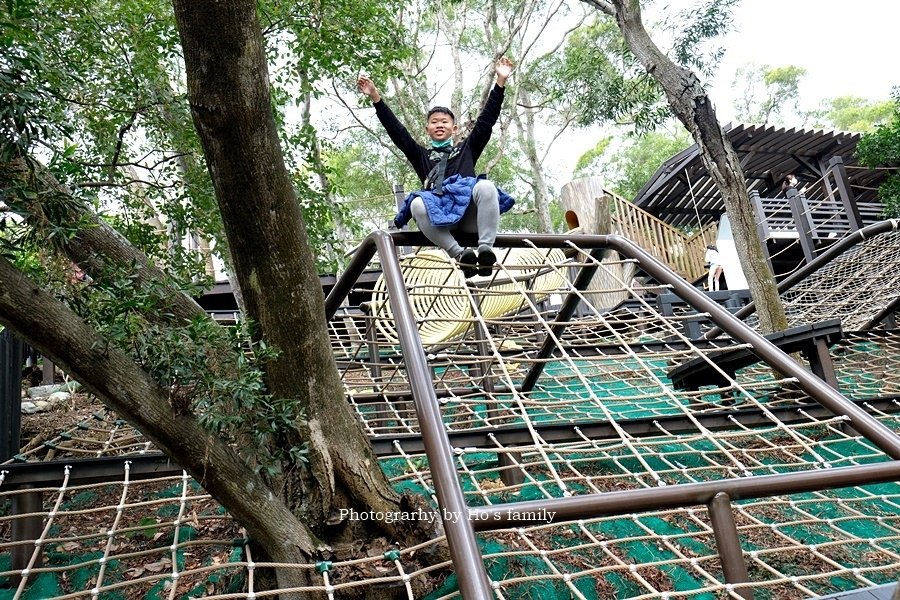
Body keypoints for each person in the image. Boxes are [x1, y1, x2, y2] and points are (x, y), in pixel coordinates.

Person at [357, 58, 516, 278]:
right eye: (434, 122)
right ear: (427, 128)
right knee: (417, 203)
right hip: (441, 222)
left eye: (444, 121)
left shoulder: (466, 149)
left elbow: (486, 121)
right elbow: (397, 132)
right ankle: (460, 256)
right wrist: (376, 97)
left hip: (469, 217)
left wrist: (500, 81)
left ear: (454, 128)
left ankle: (485, 250)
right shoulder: (421, 155)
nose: (439, 125)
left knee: (486, 186)